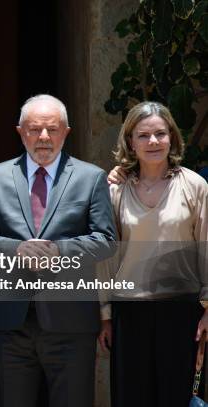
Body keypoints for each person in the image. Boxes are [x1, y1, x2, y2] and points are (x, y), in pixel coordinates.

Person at [0, 94, 116, 407]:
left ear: (66, 132)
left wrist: (59, 251)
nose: (44, 137)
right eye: (35, 129)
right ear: (21, 132)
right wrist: (18, 249)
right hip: (13, 323)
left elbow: (105, 240)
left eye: (52, 129)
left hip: (71, 324)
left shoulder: (91, 178)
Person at [101, 101, 208, 406]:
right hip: (129, 315)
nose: (153, 142)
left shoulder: (195, 185)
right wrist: (105, 315)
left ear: (172, 138)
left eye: (161, 134)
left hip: (182, 315)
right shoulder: (115, 190)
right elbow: (107, 258)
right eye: (144, 135)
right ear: (130, 142)